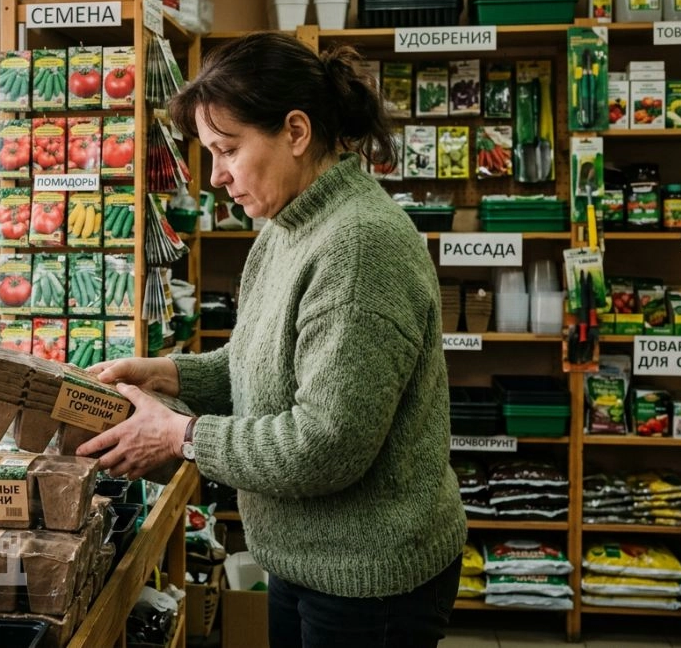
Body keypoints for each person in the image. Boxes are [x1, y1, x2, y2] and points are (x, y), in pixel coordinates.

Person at [76, 32, 466, 647]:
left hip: (368, 583)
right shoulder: (286, 227)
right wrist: (165, 374)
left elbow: (326, 444)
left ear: (296, 132)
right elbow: (257, 363)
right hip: (301, 558)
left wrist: (180, 435)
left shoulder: (359, 246)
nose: (216, 177)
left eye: (228, 150)